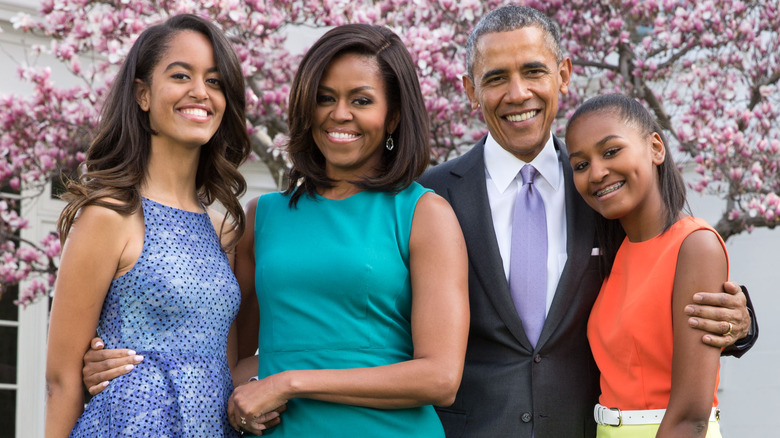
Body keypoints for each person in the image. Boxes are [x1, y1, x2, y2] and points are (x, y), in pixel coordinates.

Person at [416, 5, 757, 438]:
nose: (518, 93)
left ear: (563, 75)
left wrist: (738, 325)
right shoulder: (431, 197)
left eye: (534, 71)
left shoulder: (609, 193)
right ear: (470, 90)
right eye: (496, 77)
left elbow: (665, 266)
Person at [224, 23, 469, 436]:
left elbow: (441, 378)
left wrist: (290, 381)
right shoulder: (261, 216)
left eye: (361, 100)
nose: (339, 113)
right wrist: (244, 391)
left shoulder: (424, 214)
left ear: (391, 117)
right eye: (325, 98)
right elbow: (228, 354)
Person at [45, 14, 252, 437]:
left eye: (215, 81)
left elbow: (226, 368)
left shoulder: (225, 232)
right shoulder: (108, 216)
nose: (200, 92)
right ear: (142, 94)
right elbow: (62, 380)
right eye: (181, 75)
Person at [565, 93, 725, 437]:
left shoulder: (695, 244)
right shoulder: (615, 254)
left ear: (656, 147)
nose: (596, 173)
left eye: (611, 151)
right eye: (580, 165)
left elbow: (690, 416)